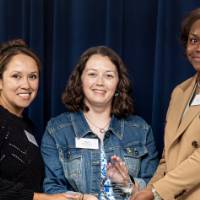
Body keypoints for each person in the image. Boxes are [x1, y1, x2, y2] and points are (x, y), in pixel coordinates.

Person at [41, 45, 158, 200]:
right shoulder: (57, 130)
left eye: (108, 76)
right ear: (80, 80)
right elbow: (52, 188)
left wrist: (124, 184)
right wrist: (82, 198)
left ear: (118, 83)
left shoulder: (141, 129)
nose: (100, 82)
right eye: (92, 74)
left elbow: (154, 189)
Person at [130, 8, 200, 200]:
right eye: (194, 40)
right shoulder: (179, 92)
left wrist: (155, 192)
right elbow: (167, 159)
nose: (198, 48)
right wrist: (147, 191)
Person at [0, 39, 82, 200]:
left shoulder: (28, 126)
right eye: (16, 76)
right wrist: (46, 198)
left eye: (32, 76)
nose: (26, 84)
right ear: (0, 81)